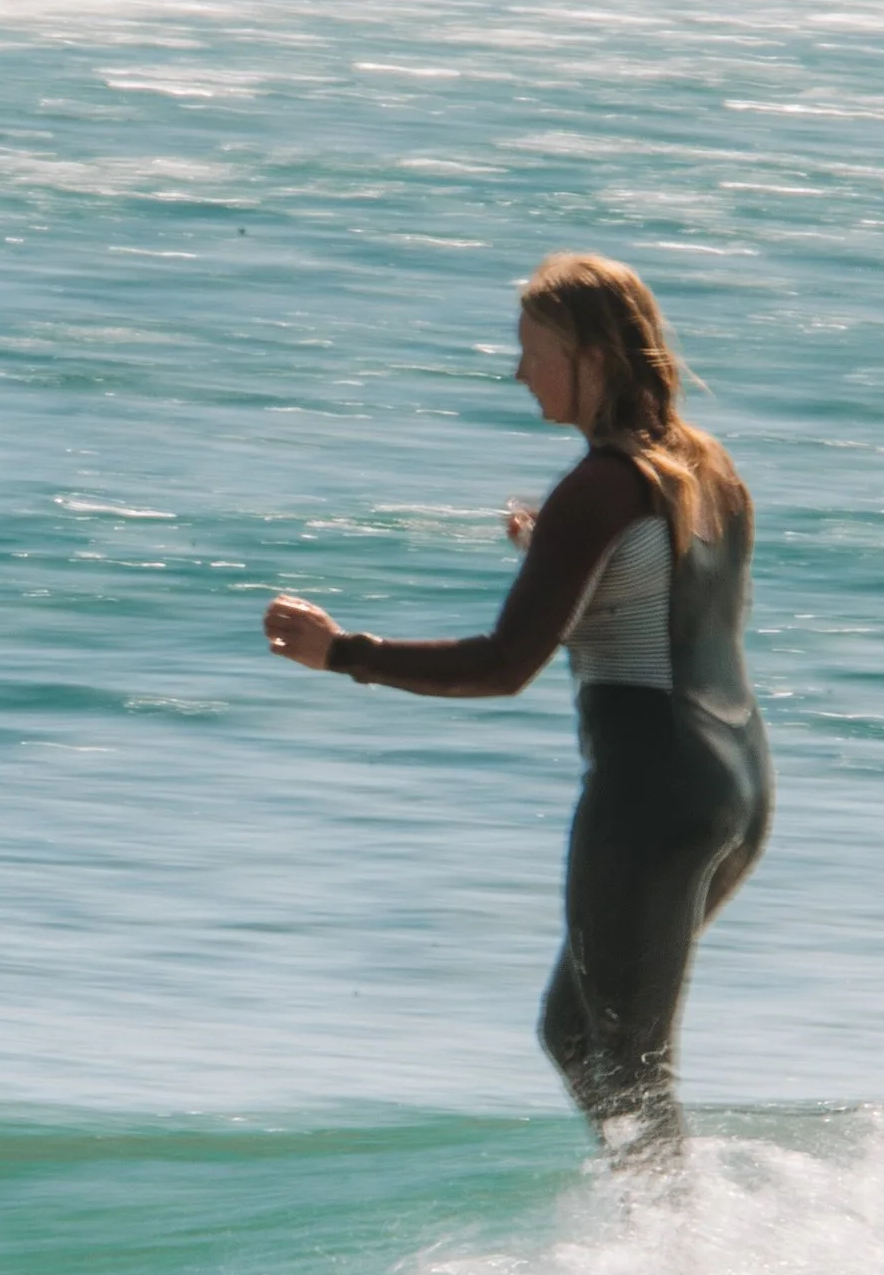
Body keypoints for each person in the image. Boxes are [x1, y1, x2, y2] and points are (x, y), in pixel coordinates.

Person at [264, 253, 771, 1162]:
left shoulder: (600, 486)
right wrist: (556, 550)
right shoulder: (706, 470)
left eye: (531, 351)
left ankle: (684, 1265)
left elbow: (504, 666)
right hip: (736, 787)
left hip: (649, 794)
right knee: (584, 1036)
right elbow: (667, 607)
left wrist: (342, 653)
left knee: (622, 1059)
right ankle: (667, 1238)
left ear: (589, 356)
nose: (517, 372)